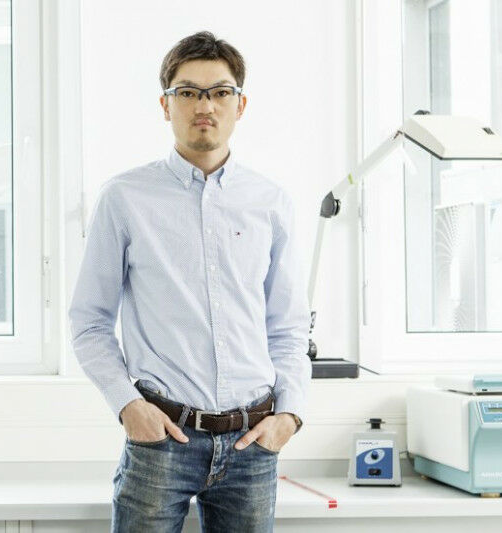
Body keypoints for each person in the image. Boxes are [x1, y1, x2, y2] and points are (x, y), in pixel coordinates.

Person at [68, 30, 311, 533]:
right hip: (161, 441)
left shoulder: (270, 202)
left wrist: (289, 416)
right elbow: (89, 322)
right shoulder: (124, 198)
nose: (205, 105)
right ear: (166, 104)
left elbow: (287, 328)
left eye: (220, 92)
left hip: (251, 445)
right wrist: (128, 406)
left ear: (240, 104)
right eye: (188, 92)